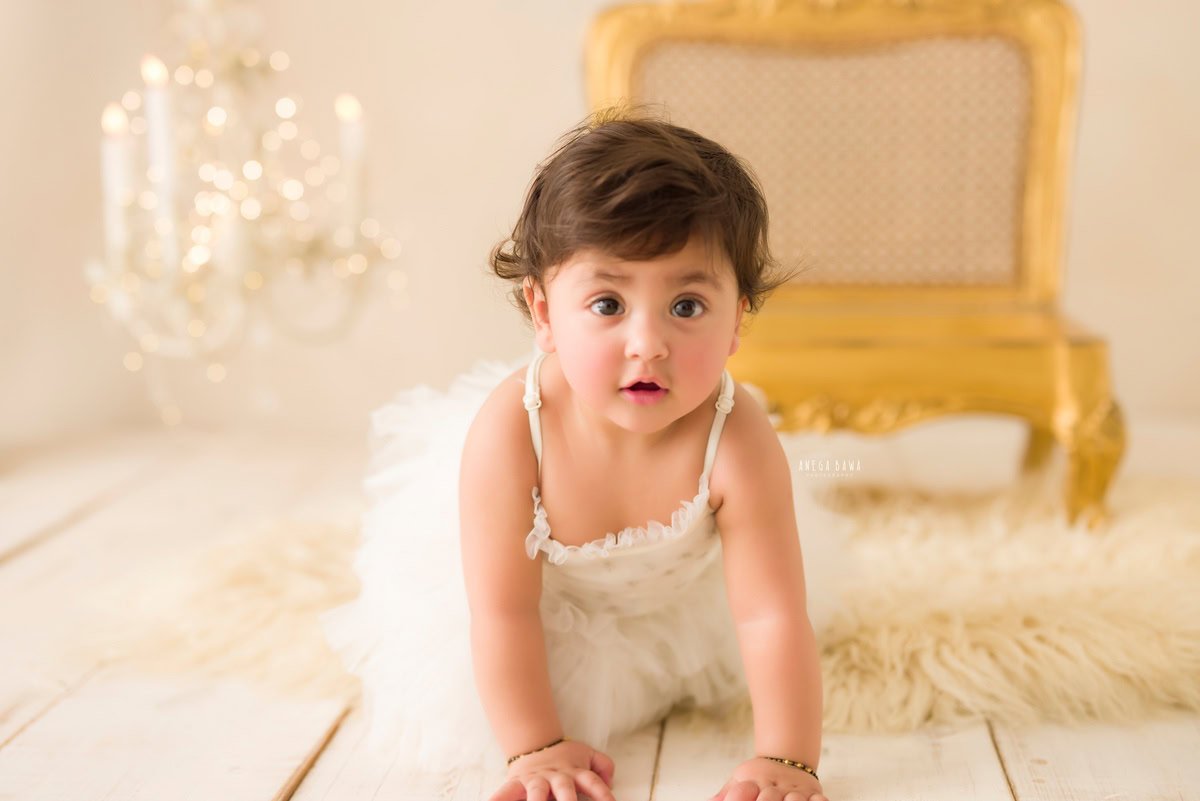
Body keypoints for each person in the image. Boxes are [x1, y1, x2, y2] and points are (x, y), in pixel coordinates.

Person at [319, 105, 850, 801]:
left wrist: (789, 759)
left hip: (668, 601)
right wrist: (536, 745)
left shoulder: (737, 436)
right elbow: (504, 611)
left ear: (735, 324)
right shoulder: (513, 431)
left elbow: (768, 613)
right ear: (544, 314)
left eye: (687, 306)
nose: (647, 343)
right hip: (523, 603)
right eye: (606, 304)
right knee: (474, 675)